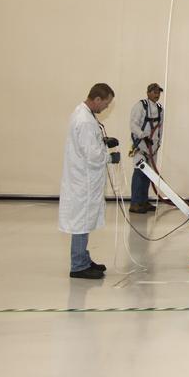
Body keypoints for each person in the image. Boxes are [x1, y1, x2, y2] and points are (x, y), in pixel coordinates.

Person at [59, 83, 119, 280]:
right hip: (82, 181)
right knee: (81, 224)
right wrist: (110, 158)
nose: (106, 108)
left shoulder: (84, 113)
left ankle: (84, 258)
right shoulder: (84, 120)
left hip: (84, 179)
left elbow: (89, 144)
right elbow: (92, 156)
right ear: (97, 100)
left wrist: (102, 141)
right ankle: (78, 266)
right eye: (106, 104)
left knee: (83, 221)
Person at [129, 83, 164, 214]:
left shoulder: (160, 109)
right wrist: (143, 136)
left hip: (153, 147)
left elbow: (160, 128)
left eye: (158, 92)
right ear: (148, 92)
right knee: (139, 173)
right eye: (154, 92)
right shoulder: (140, 106)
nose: (157, 94)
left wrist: (157, 144)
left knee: (148, 174)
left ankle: (143, 201)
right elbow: (133, 124)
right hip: (141, 145)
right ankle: (135, 203)